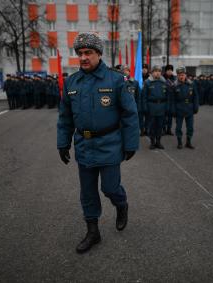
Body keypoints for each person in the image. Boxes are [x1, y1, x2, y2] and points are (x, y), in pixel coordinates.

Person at [57, 32, 139, 254]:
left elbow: (130, 113)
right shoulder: (72, 82)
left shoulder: (115, 80)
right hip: (84, 144)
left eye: (88, 53)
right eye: (80, 53)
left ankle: (121, 205)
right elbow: (65, 117)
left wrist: (131, 144)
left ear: (99, 54)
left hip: (110, 143)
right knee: (88, 192)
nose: (83, 57)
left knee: (110, 188)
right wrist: (62, 143)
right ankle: (93, 232)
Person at [142, 65, 170, 150]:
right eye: (155, 71)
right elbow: (144, 97)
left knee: (160, 126)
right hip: (152, 107)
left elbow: (168, 96)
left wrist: (167, 107)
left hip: (162, 107)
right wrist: (145, 107)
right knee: (152, 126)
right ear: (152, 72)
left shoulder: (164, 82)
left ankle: (158, 141)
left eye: (159, 71)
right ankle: (152, 142)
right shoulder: (147, 82)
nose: (157, 73)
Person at [171, 67, 199, 149]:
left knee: (190, 127)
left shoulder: (191, 84)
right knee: (178, 127)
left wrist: (196, 106)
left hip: (189, 108)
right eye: (179, 75)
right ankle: (179, 142)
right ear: (177, 76)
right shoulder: (174, 86)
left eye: (182, 75)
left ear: (185, 75)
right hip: (179, 109)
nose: (181, 77)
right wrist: (173, 110)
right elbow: (172, 100)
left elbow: (195, 96)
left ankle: (188, 142)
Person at [162, 64, 176, 135]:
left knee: (170, 116)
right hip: (164, 99)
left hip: (171, 100)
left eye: (171, 70)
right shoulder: (162, 78)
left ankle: (169, 129)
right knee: (164, 116)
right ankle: (163, 129)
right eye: (168, 70)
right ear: (166, 71)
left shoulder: (174, 79)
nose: (169, 72)